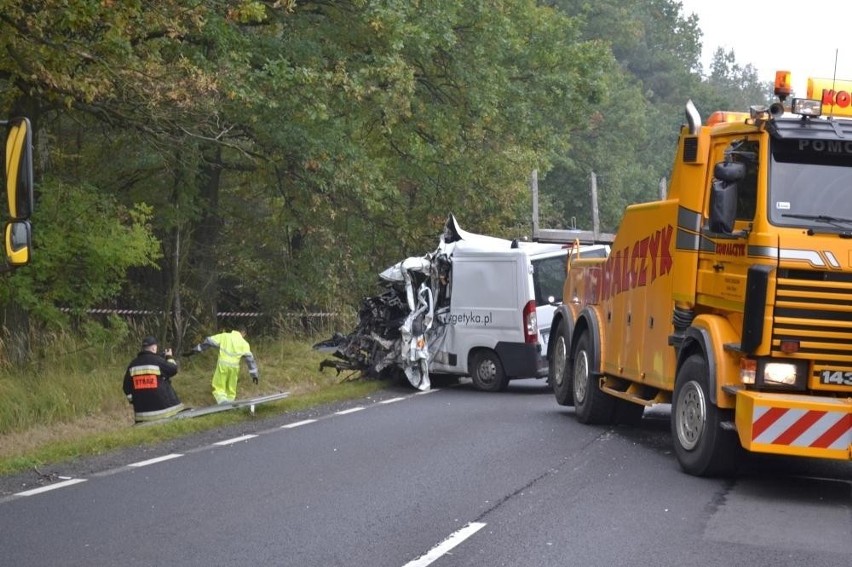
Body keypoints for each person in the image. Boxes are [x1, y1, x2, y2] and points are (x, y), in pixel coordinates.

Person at [186, 328, 259, 404]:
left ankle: (222, 402)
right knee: (231, 389)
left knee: (219, 387)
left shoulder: (225, 336)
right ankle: (230, 404)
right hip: (234, 368)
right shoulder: (245, 344)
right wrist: (254, 375)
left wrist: (195, 350)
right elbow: (250, 360)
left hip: (222, 366)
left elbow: (209, 341)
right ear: (244, 333)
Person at [123, 336, 184, 423]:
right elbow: (173, 369)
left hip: (142, 414)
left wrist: (134, 400)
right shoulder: (158, 361)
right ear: (154, 347)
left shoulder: (133, 364)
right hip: (163, 410)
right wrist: (169, 357)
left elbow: (126, 387)